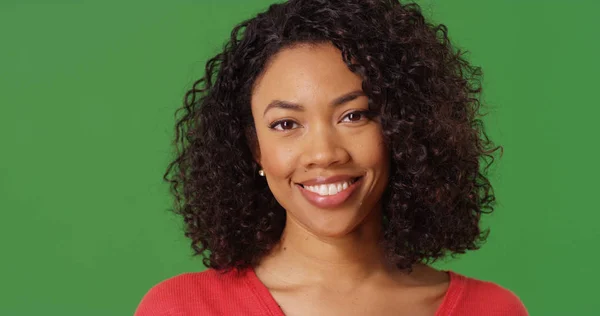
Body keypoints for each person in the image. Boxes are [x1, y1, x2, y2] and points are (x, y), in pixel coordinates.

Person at [135, 0, 528, 315]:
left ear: (402, 129)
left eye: (354, 115)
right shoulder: (181, 308)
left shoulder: (492, 310)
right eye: (286, 124)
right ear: (255, 148)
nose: (324, 154)